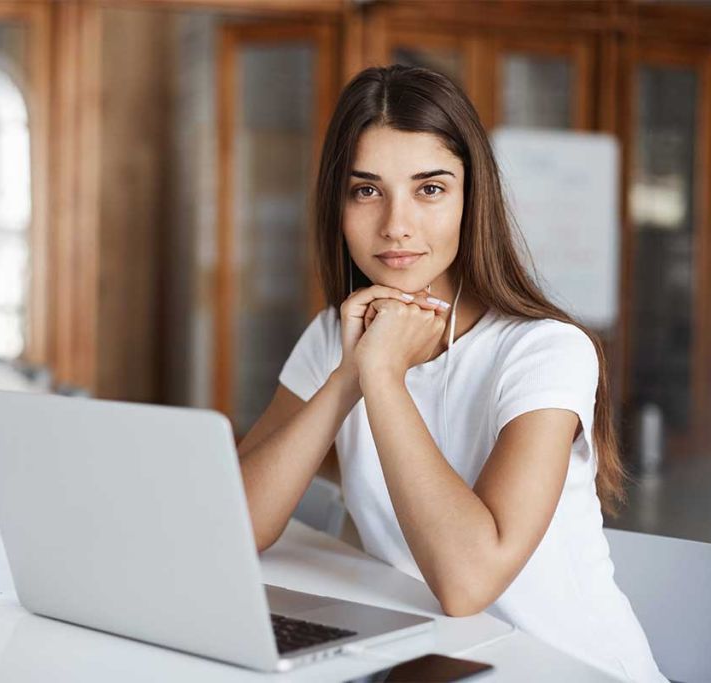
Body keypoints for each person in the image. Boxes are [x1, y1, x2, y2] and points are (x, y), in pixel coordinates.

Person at [237, 65, 666, 682]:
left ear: (472, 198)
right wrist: (350, 374)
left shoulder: (546, 351)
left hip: (570, 670)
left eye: (429, 189)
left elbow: (467, 581)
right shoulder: (336, 338)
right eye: (366, 190)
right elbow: (240, 529)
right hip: (440, 666)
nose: (396, 224)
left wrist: (382, 377)